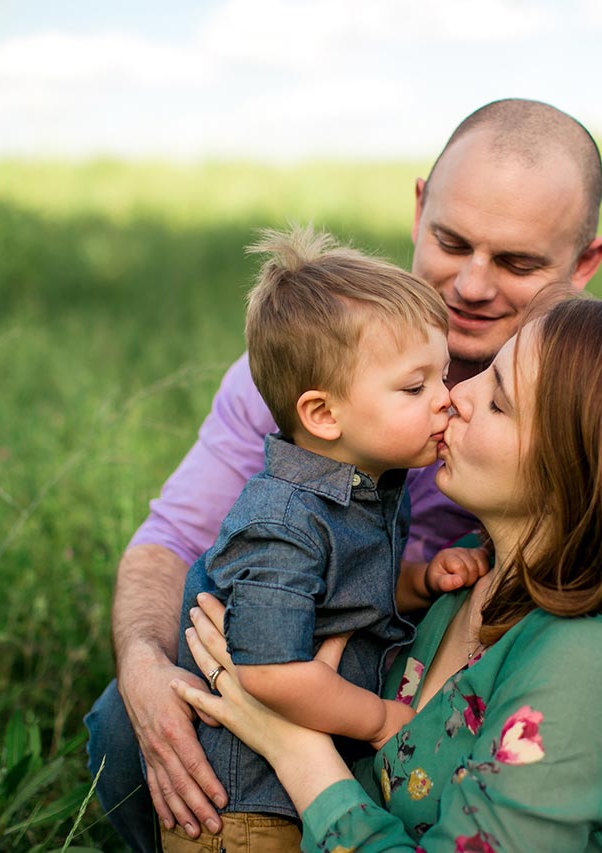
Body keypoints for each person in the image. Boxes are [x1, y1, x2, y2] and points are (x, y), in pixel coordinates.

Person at [86, 98, 602, 851]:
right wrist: (146, 667)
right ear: (419, 209)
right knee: (128, 723)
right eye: (452, 241)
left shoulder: (599, 401)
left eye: (518, 262)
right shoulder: (309, 370)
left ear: (584, 265)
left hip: (415, 699)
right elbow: (170, 539)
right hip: (335, 670)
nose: (473, 285)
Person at [172, 296, 602, 851]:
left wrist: (295, 747)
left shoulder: (595, 663)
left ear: (581, 474)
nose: (456, 394)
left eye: (498, 400)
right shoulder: (470, 571)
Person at [162, 226, 489, 852]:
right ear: (323, 415)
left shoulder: (367, 485)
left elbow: (343, 591)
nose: (447, 401)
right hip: (246, 810)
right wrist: (381, 720)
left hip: (306, 788)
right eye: (415, 388)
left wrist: (419, 580)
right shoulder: (283, 522)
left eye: (443, 377)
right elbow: (271, 673)